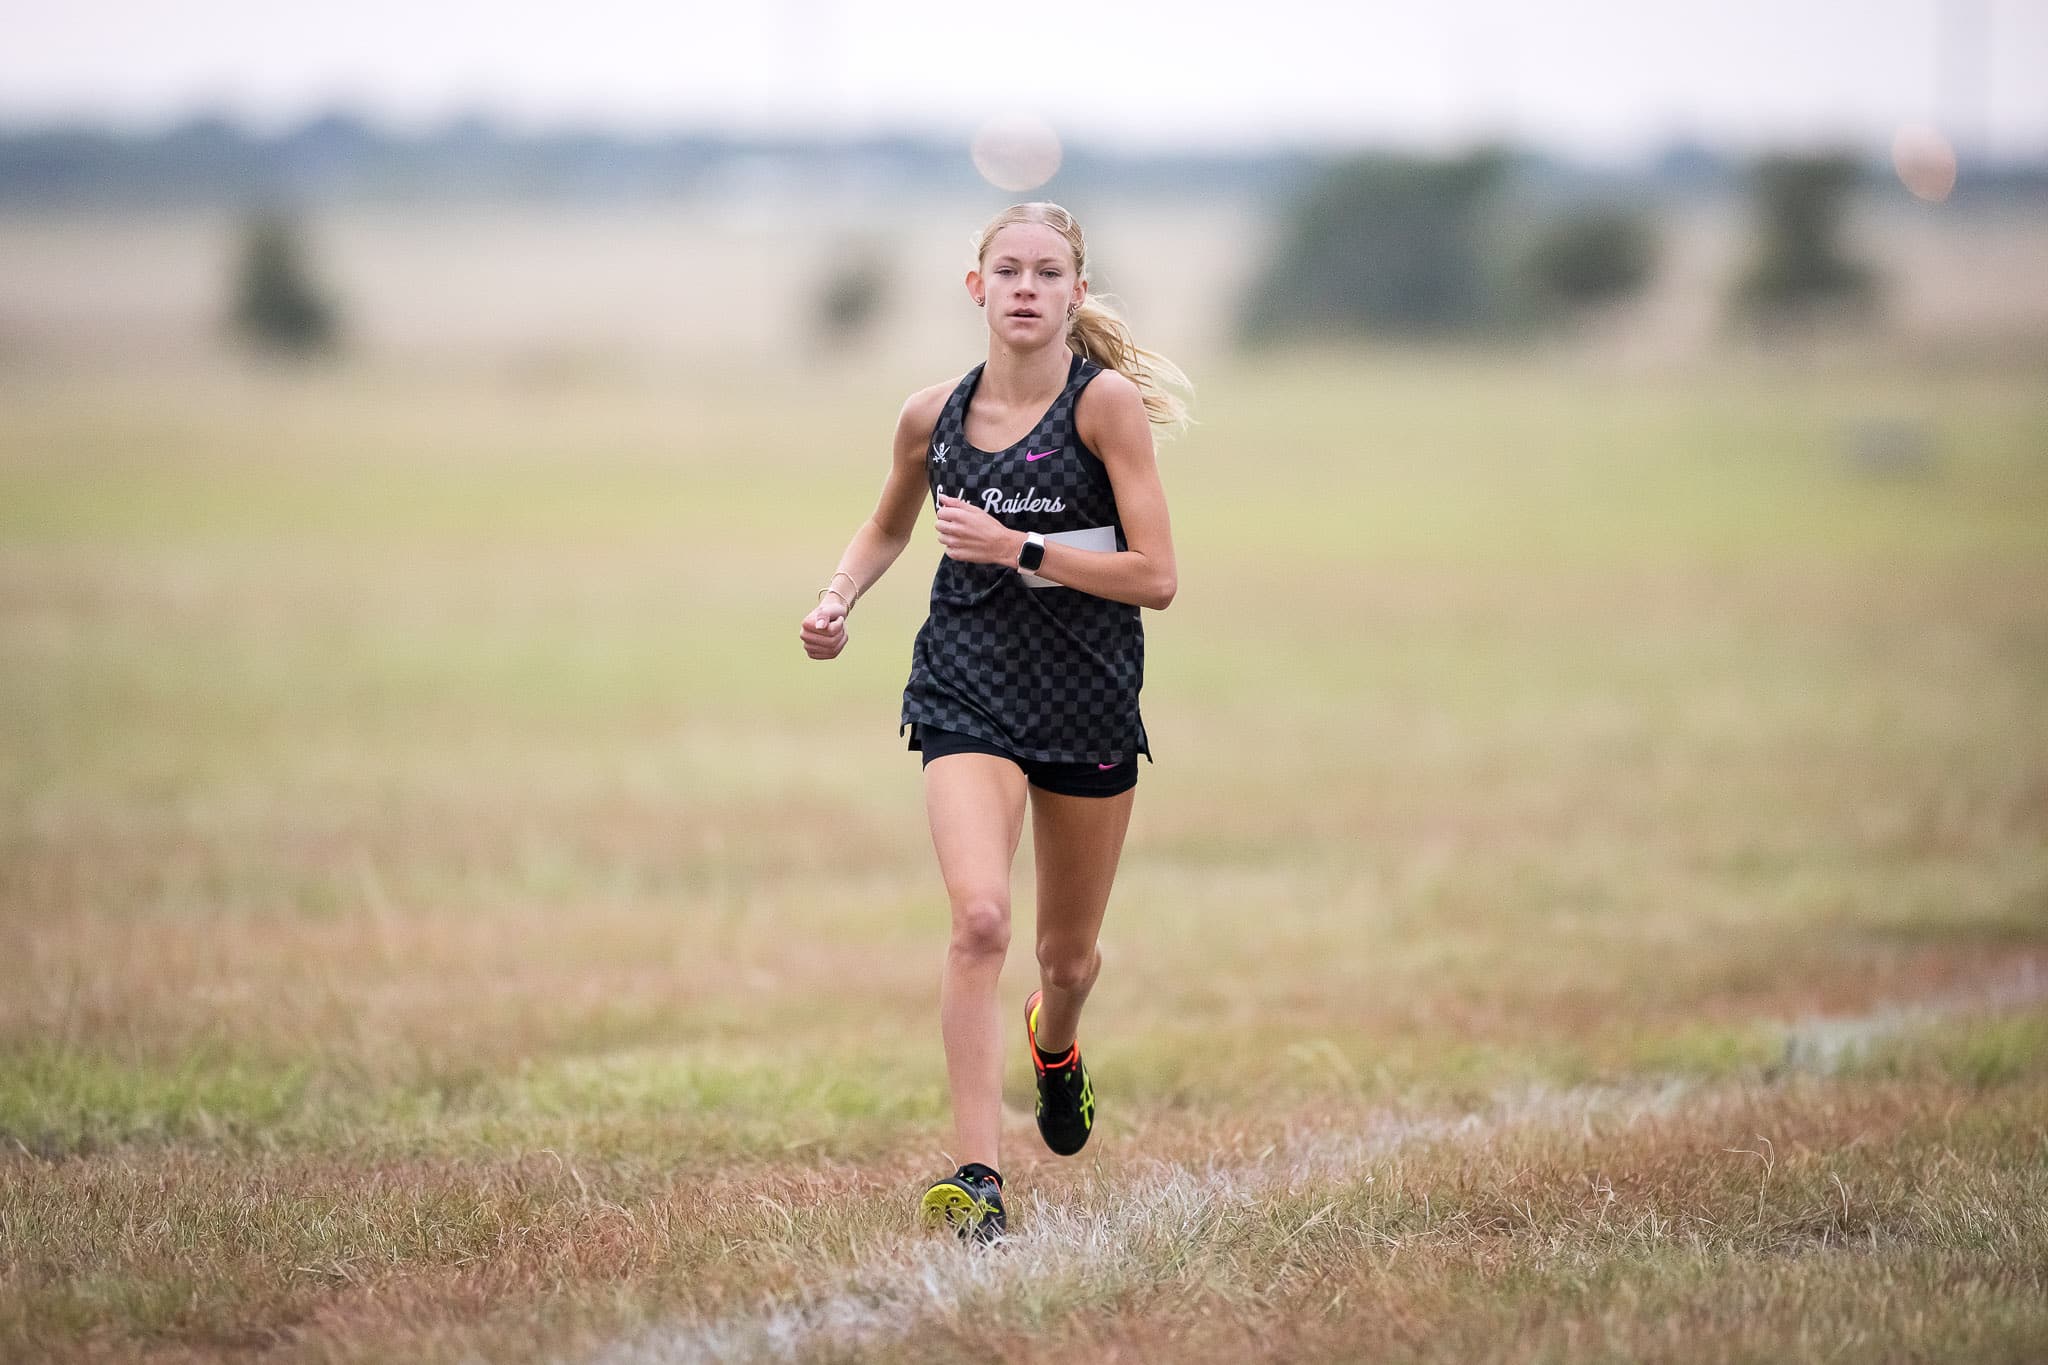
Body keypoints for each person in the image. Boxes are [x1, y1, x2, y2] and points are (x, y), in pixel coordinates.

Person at [798, 201, 1187, 1244]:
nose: (1026, 288)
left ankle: (1055, 1044)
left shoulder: (1104, 409)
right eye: (1007, 271)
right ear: (977, 289)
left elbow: (1156, 578)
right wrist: (837, 598)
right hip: (965, 687)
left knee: (1067, 960)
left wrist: (1019, 548)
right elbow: (887, 523)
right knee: (978, 921)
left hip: (1087, 696)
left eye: (1047, 273)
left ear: (1075, 292)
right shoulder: (930, 415)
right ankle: (979, 1179)